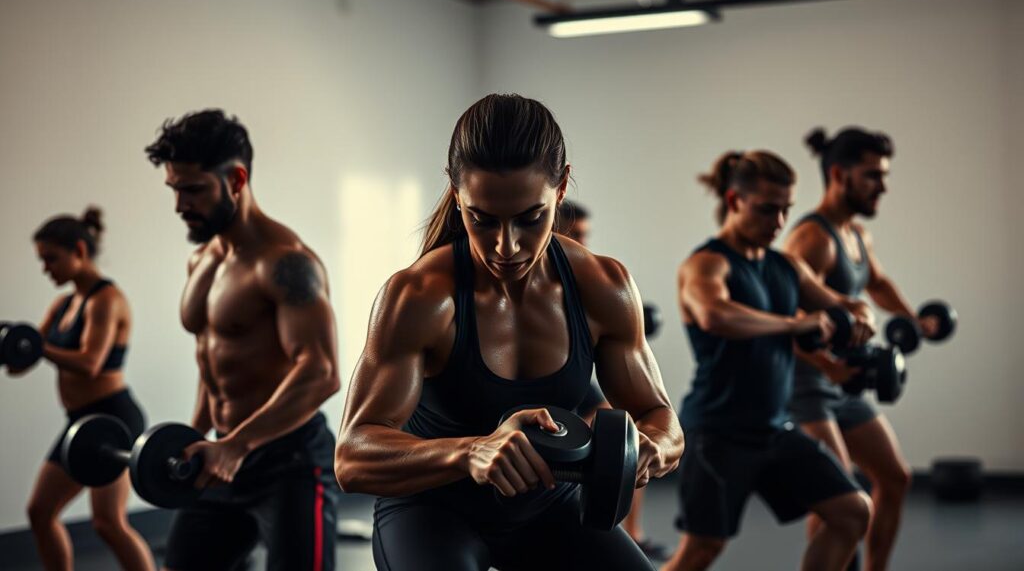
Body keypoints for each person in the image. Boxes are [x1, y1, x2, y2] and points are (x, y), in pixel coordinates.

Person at [335, 93, 684, 571]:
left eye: (529, 218)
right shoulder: (418, 297)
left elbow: (662, 419)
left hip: (550, 509)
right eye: (481, 219)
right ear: (456, 193)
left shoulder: (603, 287)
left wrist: (647, 448)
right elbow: (353, 457)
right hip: (432, 512)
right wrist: (470, 452)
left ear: (560, 188)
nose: (506, 246)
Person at [144, 109, 341, 571]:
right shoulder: (202, 261)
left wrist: (237, 443)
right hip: (222, 456)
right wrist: (195, 432)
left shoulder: (286, 263)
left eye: (193, 190)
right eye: (175, 189)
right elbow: (212, 359)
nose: (180, 205)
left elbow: (321, 372)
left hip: (288, 462)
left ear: (235, 179)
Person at [661, 150, 875, 571]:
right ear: (735, 200)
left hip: (775, 430)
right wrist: (794, 325)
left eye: (785, 211)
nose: (778, 223)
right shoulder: (706, 263)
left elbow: (846, 304)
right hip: (717, 434)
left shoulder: (786, 266)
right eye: (766, 210)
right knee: (702, 551)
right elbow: (714, 314)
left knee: (852, 511)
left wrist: (860, 316)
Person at [784, 127, 925, 571]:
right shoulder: (813, 239)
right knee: (837, 497)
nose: (882, 186)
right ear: (840, 175)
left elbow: (877, 282)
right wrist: (825, 363)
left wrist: (913, 320)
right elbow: (783, 324)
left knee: (895, 477)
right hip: (806, 384)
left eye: (883, 175)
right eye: (872, 176)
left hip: (842, 384)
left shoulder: (856, 235)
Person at [14, 207, 154, 571]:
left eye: (51, 259)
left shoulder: (107, 300)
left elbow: (90, 362)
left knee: (108, 523)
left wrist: (36, 347)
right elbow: (24, 358)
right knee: (40, 511)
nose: (46, 269)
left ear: (79, 250)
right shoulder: (64, 303)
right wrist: (13, 347)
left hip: (113, 419)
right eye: (42, 261)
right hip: (79, 420)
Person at [555, 198, 667, 561]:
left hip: (573, 382)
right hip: (540, 391)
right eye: (575, 235)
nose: (583, 245)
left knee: (625, 432)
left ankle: (630, 531)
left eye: (585, 236)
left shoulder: (592, 281)